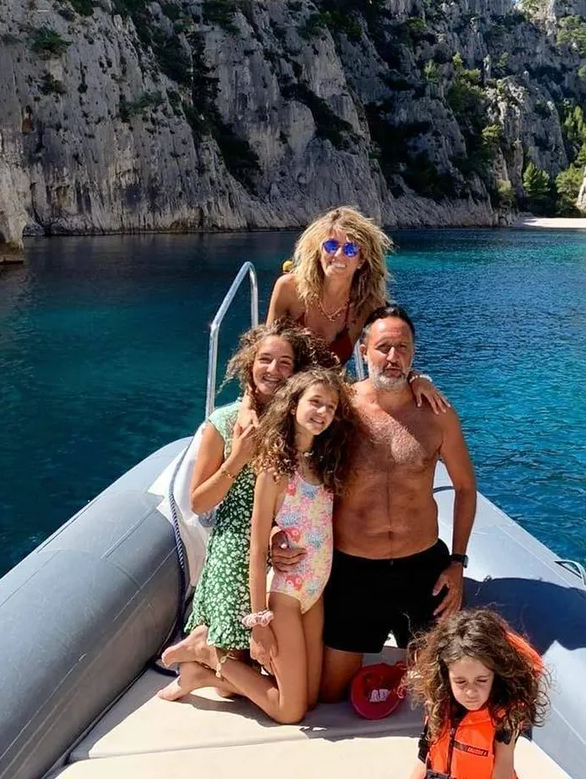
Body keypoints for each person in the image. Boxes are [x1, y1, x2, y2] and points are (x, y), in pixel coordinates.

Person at [272, 305, 478, 702]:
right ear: (364, 350)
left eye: (403, 347)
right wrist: (273, 531)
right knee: (331, 693)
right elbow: (289, 468)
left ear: (414, 353)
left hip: (422, 569)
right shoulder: (340, 410)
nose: (393, 357)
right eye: (383, 346)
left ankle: (404, 663)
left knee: (437, 692)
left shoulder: (437, 414)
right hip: (354, 571)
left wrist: (457, 563)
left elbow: (465, 488)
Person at [158, 368, 355, 723]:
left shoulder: (324, 463)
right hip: (285, 595)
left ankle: (204, 676)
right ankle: (212, 654)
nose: (323, 412)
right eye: (315, 402)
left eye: (330, 406)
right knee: (291, 712)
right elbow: (256, 547)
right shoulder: (274, 469)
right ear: (293, 404)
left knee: (311, 700)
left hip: (315, 590)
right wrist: (259, 622)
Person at [264, 206, 448, 411]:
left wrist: (417, 377)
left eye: (351, 249)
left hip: (325, 404)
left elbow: (391, 350)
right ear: (319, 250)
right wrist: (248, 403)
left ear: (361, 260)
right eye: (331, 245)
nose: (339, 254)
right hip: (279, 396)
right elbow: (263, 353)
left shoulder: (368, 305)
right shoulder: (289, 289)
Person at [404, 608, 549, 779]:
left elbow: (503, 766)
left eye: (481, 681)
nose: (471, 692)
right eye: (460, 682)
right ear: (445, 675)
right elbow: (423, 758)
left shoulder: (505, 717)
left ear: (496, 675)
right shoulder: (438, 703)